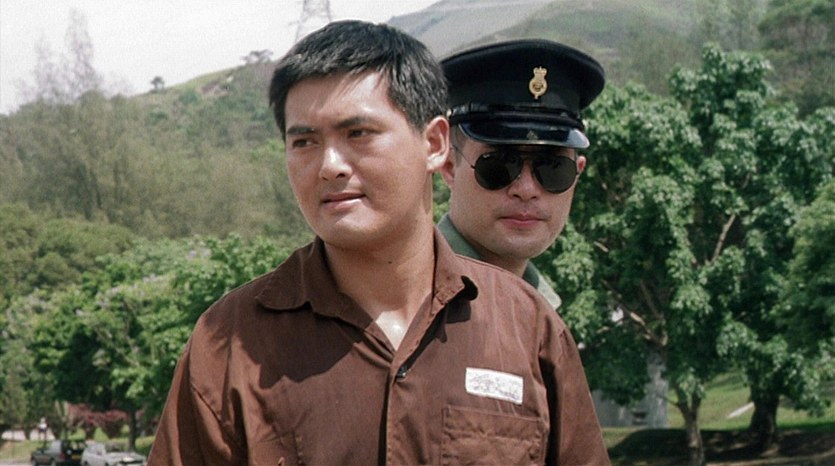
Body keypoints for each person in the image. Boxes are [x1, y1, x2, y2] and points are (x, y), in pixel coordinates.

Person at [148, 21, 609, 465]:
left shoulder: (529, 328)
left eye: (358, 134)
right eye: (304, 141)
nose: (330, 165)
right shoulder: (230, 343)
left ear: (434, 144)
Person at [438, 39, 606, 310]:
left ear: (578, 173)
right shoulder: (406, 302)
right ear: (448, 167)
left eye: (552, 168)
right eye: (499, 166)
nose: (526, 189)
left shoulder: (541, 309)